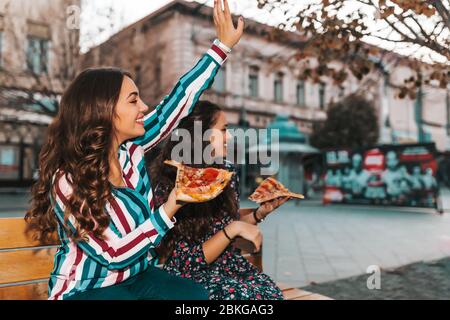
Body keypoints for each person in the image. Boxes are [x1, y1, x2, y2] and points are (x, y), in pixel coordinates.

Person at [24, 0, 244, 300]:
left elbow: (176, 104)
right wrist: (171, 206)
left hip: (139, 275)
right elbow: (113, 254)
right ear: (103, 110)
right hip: (86, 288)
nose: (143, 107)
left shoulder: (134, 149)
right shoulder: (67, 180)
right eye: (133, 100)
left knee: (195, 298)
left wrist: (221, 48)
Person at [151, 101, 285, 300]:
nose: (229, 137)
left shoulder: (227, 171)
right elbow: (186, 262)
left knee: (269, 295)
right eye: (223, 130)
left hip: (231, 268)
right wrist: (233, 230)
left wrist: (260, 213)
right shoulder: (172, 182)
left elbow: (228, 224)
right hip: (191, 277)